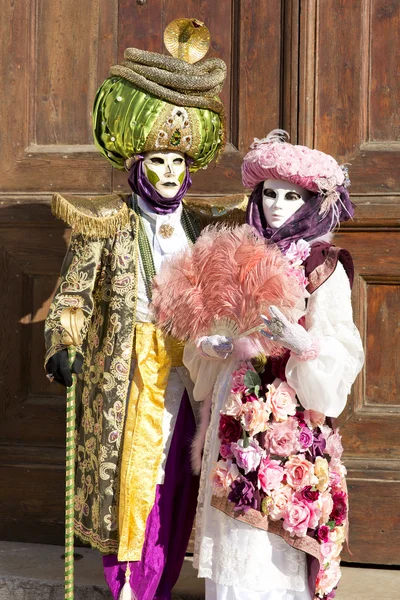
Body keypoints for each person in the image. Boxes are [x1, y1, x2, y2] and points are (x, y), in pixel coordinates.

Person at [44, 19, 228, 600]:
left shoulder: (201, 226)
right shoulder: (108, 223)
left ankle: (163, 579)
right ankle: (129, 587)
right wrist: (62, 346)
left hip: (192, 373)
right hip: (129, 379)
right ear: (136, 163)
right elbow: (71, 295)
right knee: (135, 480)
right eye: (157, 162)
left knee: (176, 479)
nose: (170, 174)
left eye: (178, 162)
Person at [183, 131, 365, 600]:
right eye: (269, 194)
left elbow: (343, 347)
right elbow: (213, 321)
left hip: (290, 414)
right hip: (236, 409)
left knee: (279, 524)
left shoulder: (323, 267)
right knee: (235, 525)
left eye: (292, 196)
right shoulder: (239, 254)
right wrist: (215, 344)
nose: (278, 205)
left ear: (311, 202)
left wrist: (302, 342)